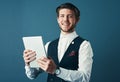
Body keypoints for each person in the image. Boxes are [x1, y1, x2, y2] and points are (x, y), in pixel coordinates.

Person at [23, 2, 93, 82]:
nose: (65, 20)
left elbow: (85, 78)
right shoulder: (49, 45)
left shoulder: (84, 45)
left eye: (70, 16)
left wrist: (56, 71)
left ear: (77, 20)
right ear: (58, 19)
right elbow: (32, 75)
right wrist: (28, 64)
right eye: (62, 16)